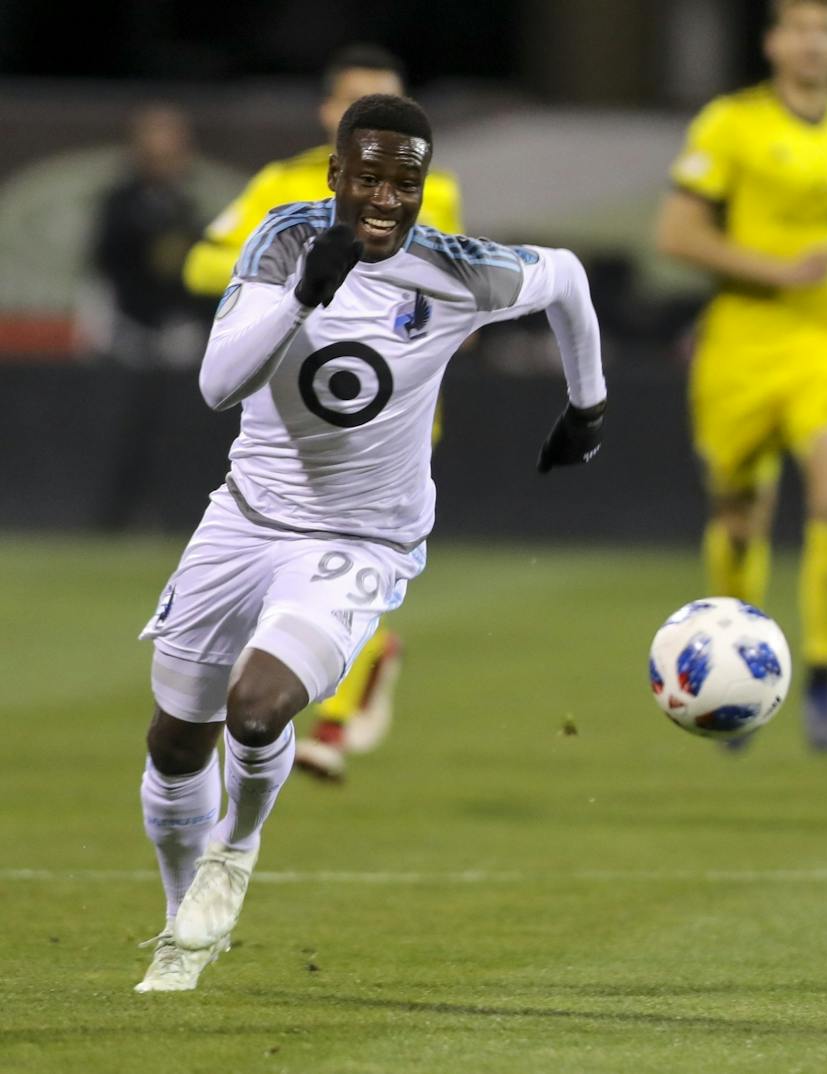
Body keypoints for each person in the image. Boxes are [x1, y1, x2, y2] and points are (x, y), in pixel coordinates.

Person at [133, 93, 607, 993]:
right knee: (174, 742)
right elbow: (217, 384)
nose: (386, 200)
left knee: (259, 708)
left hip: (361, 539)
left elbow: (570, 279)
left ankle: (235, 850)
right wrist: (309, 289)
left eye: (406, 182)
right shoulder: (283, 241)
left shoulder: (458, 270)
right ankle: (176, 928)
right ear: (336, 177)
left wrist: (588, 406)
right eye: (370, 178)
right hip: (245, 518)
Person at [184, 43, 465, 782]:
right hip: (296, 407)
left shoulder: (435, 191)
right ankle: (349, 673)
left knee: (354, 551)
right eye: (356, 101)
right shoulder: (279, 187)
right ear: (327, 113)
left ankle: (333, 727)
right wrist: (285, 264)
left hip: (391, 410)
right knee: (283, 560)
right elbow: (203, 263)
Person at [654, 0, 827, 752]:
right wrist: (779, 270)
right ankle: (731, 681)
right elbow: (677, 233)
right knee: (738, 517)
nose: (814, 41)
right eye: (800, 26)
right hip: (741, 345)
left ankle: (822, 686)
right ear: (773, 42)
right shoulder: (731, 123)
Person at [87, 104, 213, 530]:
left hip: (177, 337)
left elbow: (195, 270)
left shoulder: (186, 206)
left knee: (175, 432)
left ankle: (171, 513)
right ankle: (114, 517)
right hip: (129, 332)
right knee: (123, 428)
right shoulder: (120, 204)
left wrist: (191, 320)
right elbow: (107, 264)